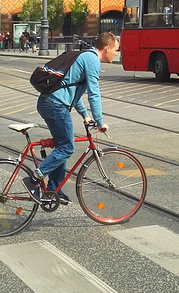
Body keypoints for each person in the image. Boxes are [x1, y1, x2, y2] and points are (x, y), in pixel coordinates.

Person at [22, 32, 119, 206]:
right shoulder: (92, 61)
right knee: (67, 148)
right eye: (116, 50)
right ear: (107, 48)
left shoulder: (84, 56)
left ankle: (53, 190)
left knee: (62, 146)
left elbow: (72, 92)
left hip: (50, 103)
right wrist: (100, 121)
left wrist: (86, 116)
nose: (116, 54)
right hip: (55, 106)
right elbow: (94, 94)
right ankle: (34, 180)